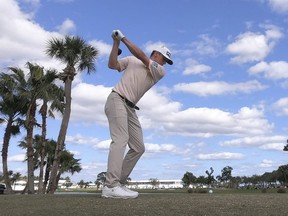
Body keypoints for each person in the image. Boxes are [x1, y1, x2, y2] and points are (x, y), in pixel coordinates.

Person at [102, 29, 173, 199]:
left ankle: (118, 182)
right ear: (156, 54)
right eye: (164, 59)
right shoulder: (132, 60)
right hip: (117, 99)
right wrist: (116, 44)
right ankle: (110, 186)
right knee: (120, 139)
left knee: (139, 147)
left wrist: (123, 39)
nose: (164, 63)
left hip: (131, 108)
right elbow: (113, 65)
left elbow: (141, 55)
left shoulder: (159, 71)